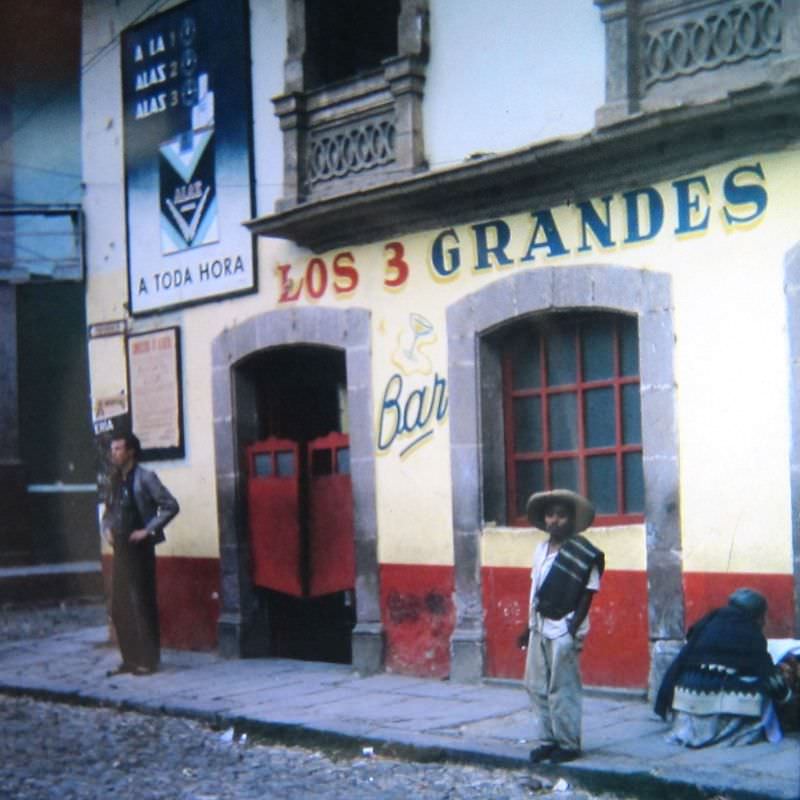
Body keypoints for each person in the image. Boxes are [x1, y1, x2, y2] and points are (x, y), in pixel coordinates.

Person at [522, 489, 604, 764]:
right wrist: (527, 626)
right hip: (539, 626)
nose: (554, 520)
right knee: (535, 685)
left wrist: (572, 627)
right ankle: (547, 740)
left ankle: (568, 743)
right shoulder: (540, 550)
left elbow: (588, 593)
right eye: (550, 515)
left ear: (571, 520)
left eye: (561, 515)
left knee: (563, 687)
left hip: (563, 629)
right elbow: (536, 590)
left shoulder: (583, 553)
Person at [654, 588, 792, 748]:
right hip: (716, 703)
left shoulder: (707, 623)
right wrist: (786, 696)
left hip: (685, 702)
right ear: (757, 616)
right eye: (763, 617)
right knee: (762, 687)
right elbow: (769, 676)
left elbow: (681, 660)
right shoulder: (749, 632)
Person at [102, 433, 179, 676]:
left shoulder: (146, 477)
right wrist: (107, 530)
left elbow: (171, 505)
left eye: (118, 449)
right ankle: (130, 660)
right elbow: (107, 513)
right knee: (119, 606)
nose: (113, 453)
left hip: (140, 549)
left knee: (142, 604)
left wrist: (147, 530)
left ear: (131, 452)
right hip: (121, 549)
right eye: (112, 449)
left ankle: (148, 661)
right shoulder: (114, 480)